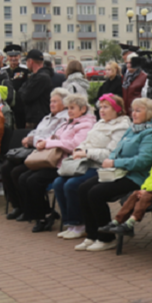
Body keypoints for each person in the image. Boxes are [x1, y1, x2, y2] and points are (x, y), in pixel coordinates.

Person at [78, 97, 152, 249]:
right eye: (133, 110)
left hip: (137, 176)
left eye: (138, 110)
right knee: (83, 188)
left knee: (96, 193)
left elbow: (143, 161)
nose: (134, 114)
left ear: (149, 113)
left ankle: (106, 238)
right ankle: (92, 235)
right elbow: (117, 150)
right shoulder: (133, 128)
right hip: (119, 172)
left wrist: (114, 163)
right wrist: (110, 162)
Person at [53, 93, 132, 239]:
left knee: (72, 184)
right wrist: (79, 149)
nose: (101, 110)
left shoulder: (121, 127)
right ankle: (72, 222)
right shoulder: (100, 123)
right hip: (85, 163)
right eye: (100, 107)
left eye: (106, 107)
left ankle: (81, 224)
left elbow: (111, 153)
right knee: (58, 183)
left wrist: (87, 152)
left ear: (117, 109)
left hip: (102, 166)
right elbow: (86, 141)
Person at [4, 89, 69, 219]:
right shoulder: (47, 117)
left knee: (17, 172)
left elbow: (52, 137)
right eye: (50, 101)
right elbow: (36, 131)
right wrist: (28, 138)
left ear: (65, 103)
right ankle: (19, 206)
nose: (51, 104)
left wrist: (32, 140)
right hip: (35, 151)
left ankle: (34, 209)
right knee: (6, 168)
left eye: (55, 101)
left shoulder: (65, 118)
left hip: (47, 155)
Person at [17, 49, 54, 129]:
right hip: (39, 118)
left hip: (37, 120)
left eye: (26, 61)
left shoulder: (40, 78)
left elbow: (25, 96)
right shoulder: (39, 76)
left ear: (31, 62)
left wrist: (22, 89)